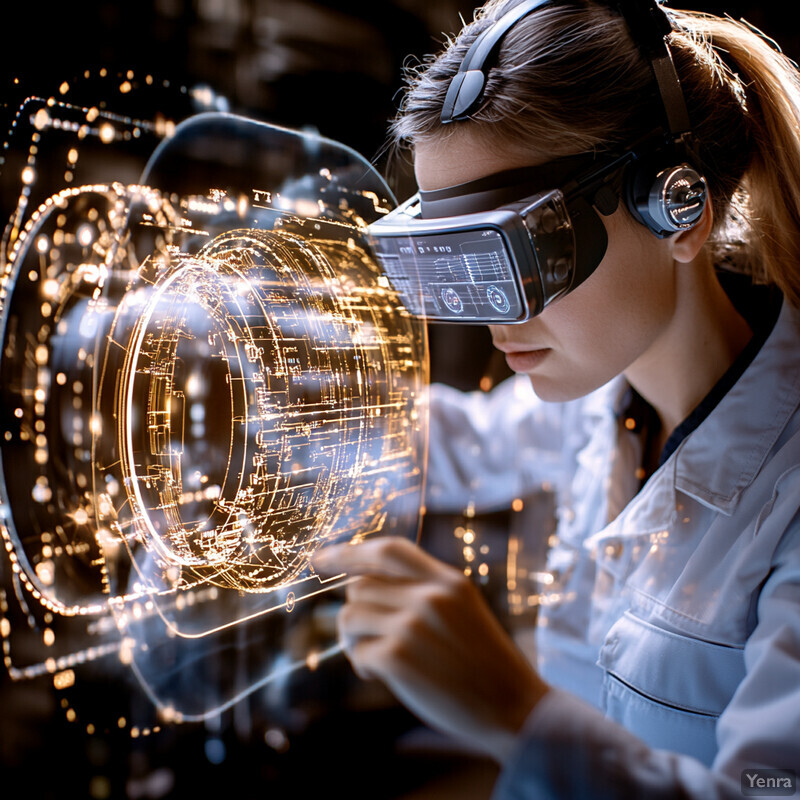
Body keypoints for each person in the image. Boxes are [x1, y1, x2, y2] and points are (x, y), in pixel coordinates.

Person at [312, 0, 800, 796]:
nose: (501, 318)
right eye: (459, 263)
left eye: (523, 252)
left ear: (676, 207)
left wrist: (514, 712)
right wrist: (262, 392)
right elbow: (452, 441)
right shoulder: (594, 401)